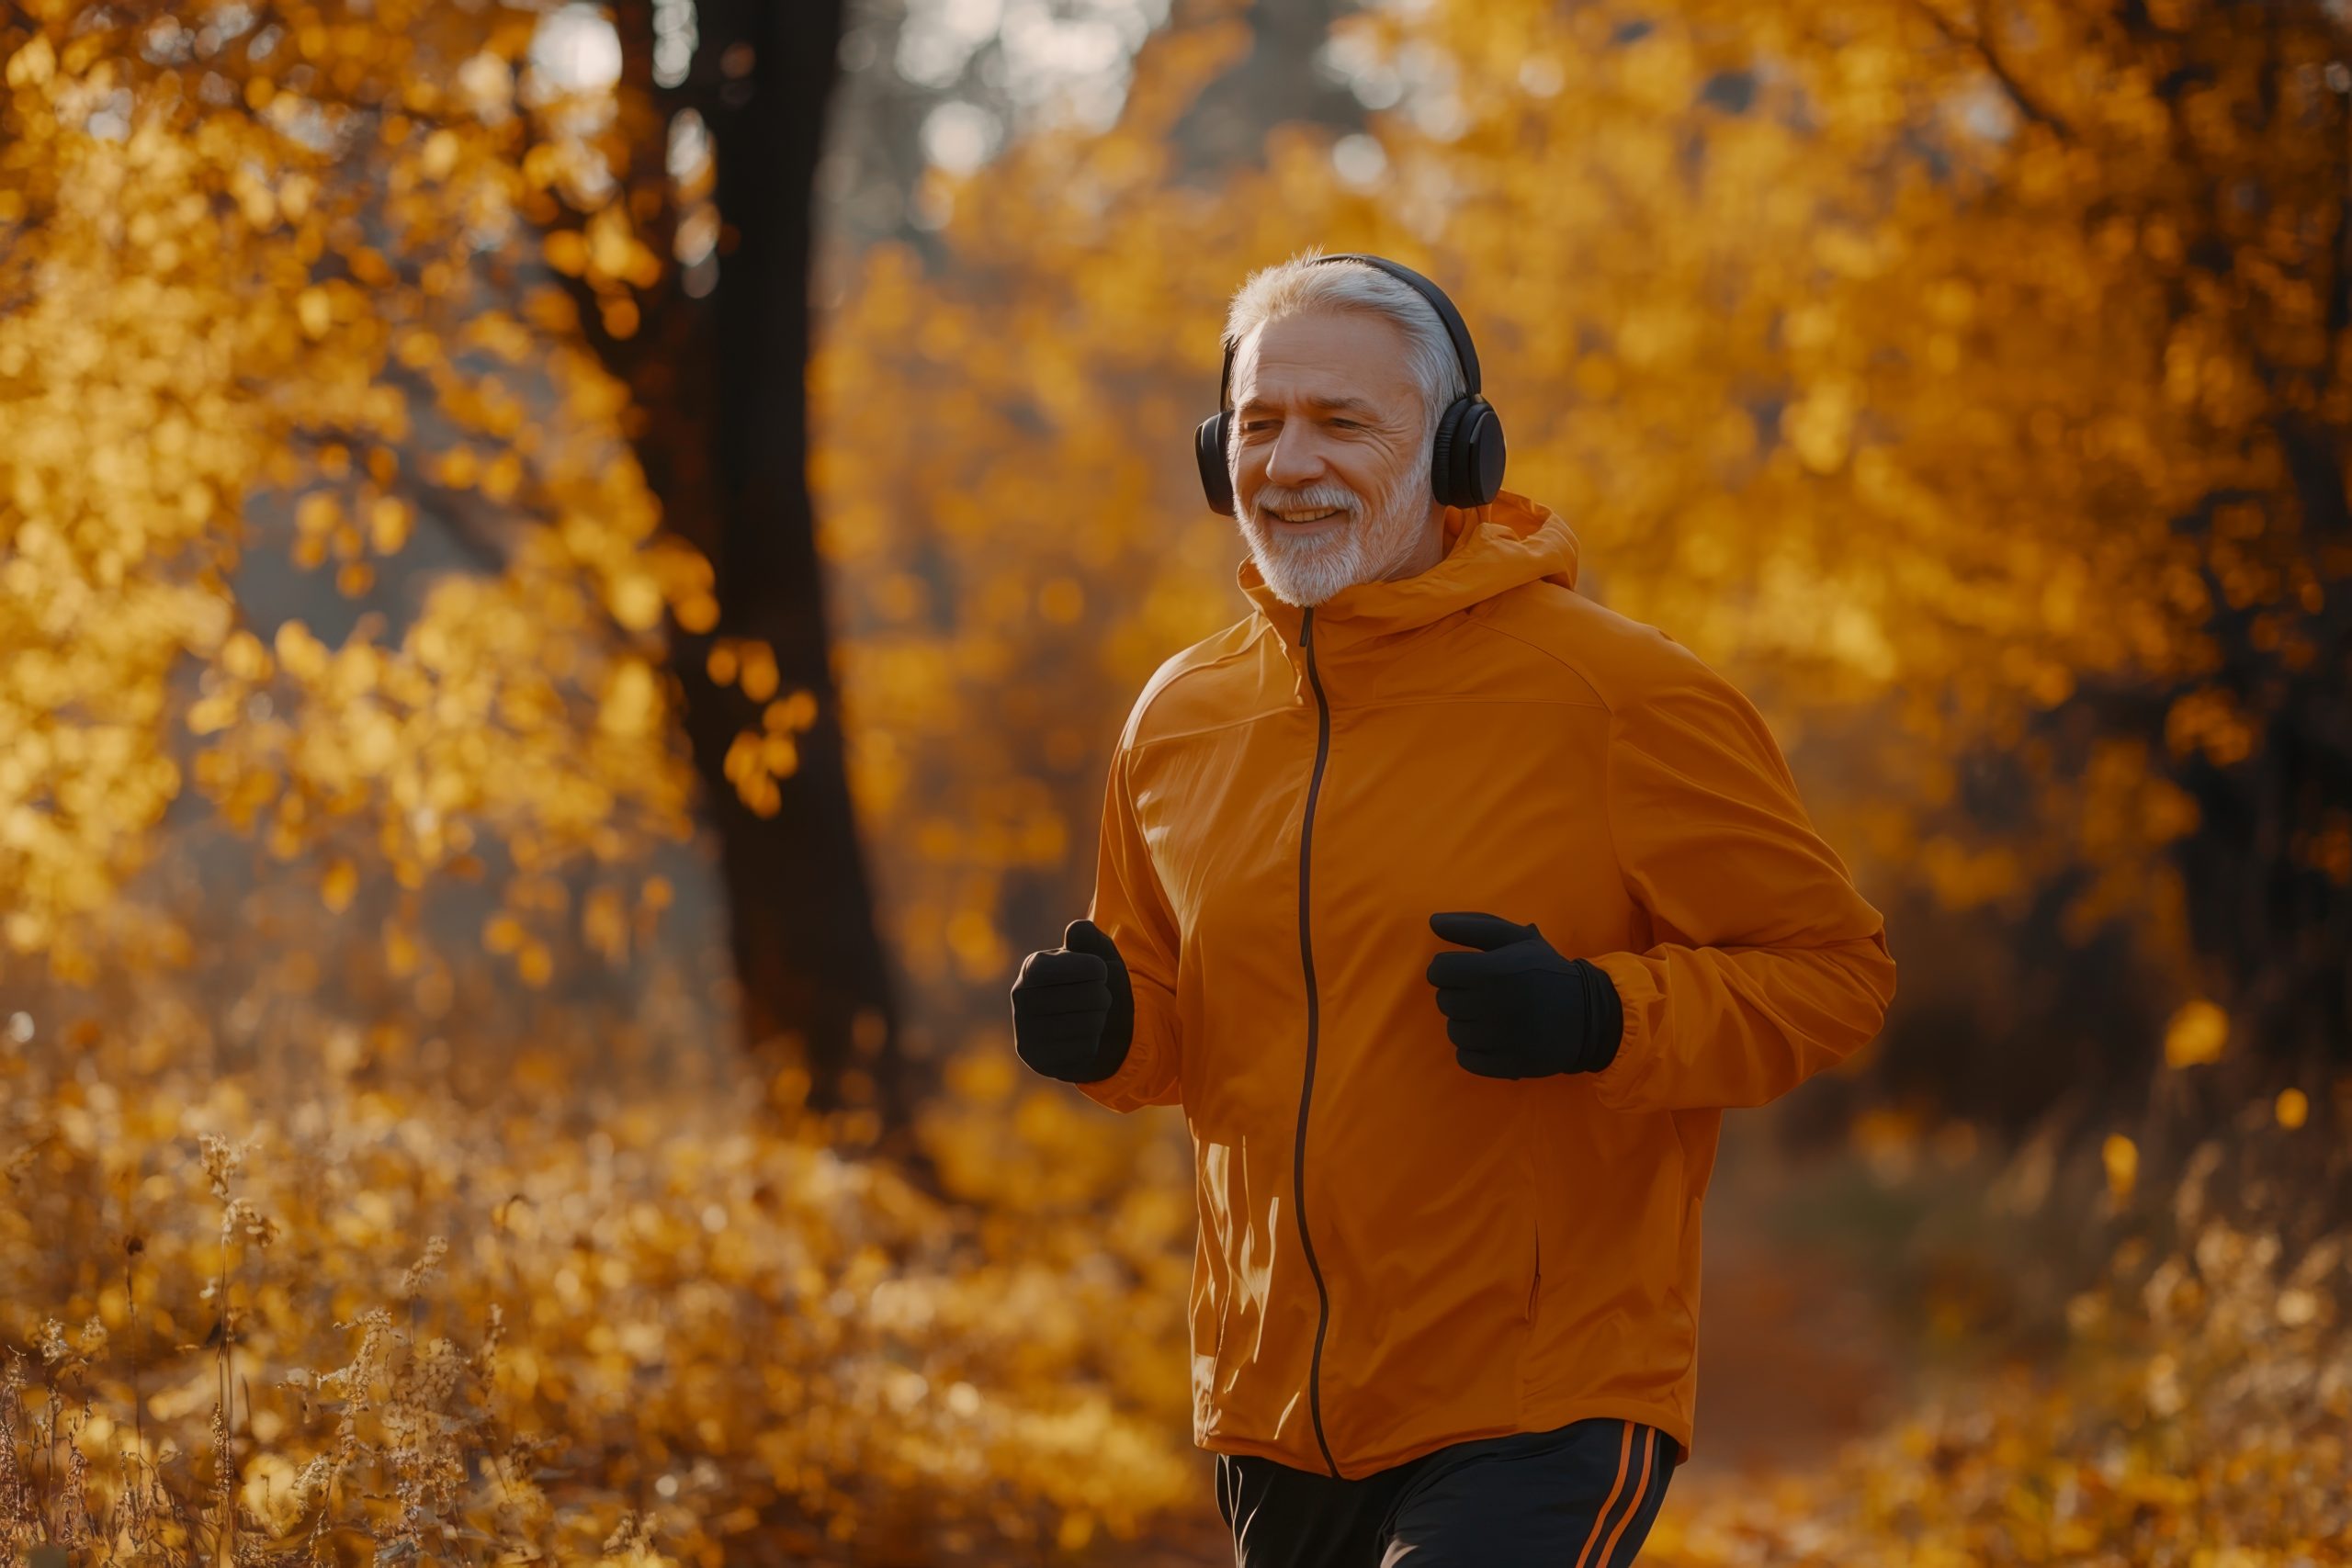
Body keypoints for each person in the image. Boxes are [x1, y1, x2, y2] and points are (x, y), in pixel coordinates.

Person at [1008, 247, 1897, 1566]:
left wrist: (1604, 1014)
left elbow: (1835, 975)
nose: (1290, 462)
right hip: (1274, 1409)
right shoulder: (1178, 720)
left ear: (1459, 455)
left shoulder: (1620, 698)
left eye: (1344, 422)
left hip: (1540, 1397)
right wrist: (1109, 1034)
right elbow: (1181, 1035)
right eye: (1260, 424)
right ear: (1217, 455)